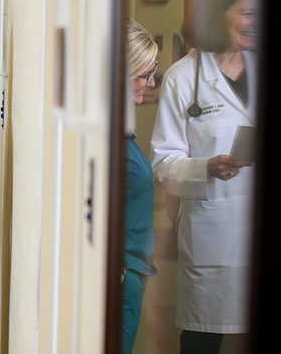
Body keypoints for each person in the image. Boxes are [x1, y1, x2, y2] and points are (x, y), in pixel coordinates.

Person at [150, 0, 256, 353]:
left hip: (259, 228)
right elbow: (163, 162)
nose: (255, 23)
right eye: (246, 13)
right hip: (214, 231)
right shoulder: (184, 78)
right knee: (202, 338)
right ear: (217, 14)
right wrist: (206, 168)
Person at [120, 18, 159, 354]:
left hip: (133, 269)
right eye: (144, 73)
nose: (151, 81)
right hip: (122, 276)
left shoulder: (123, 128)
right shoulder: (104, 134)